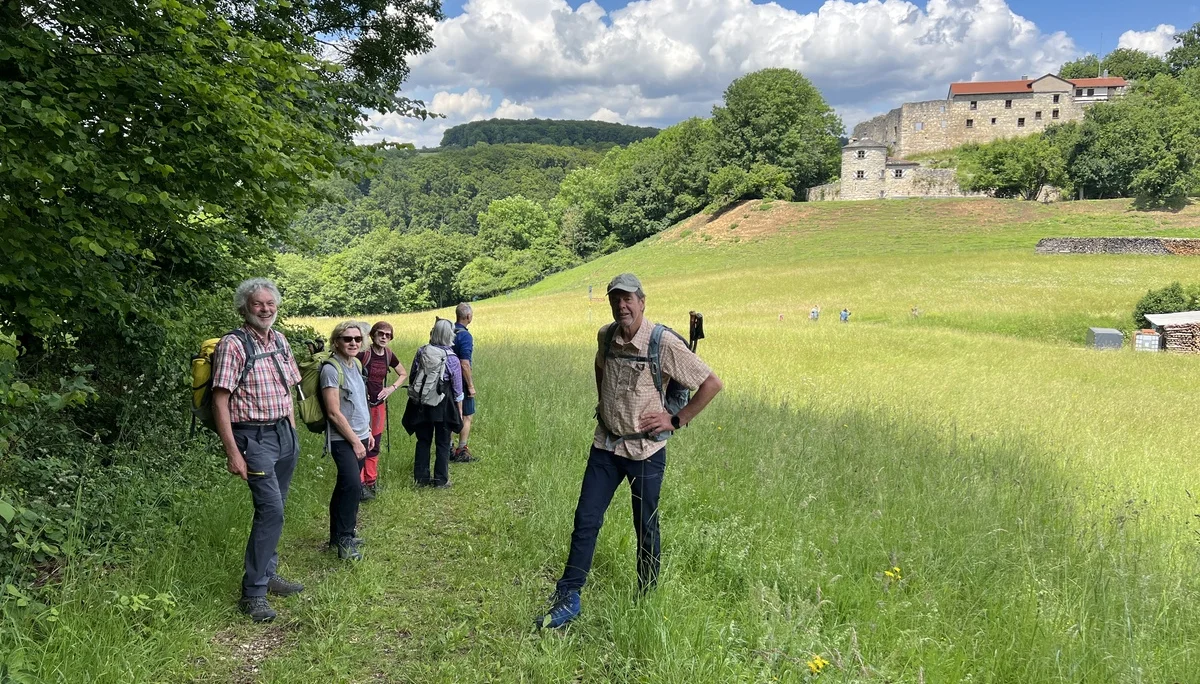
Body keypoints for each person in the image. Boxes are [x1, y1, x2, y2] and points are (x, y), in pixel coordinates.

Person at [536, 273, 723, 629]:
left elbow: (711, 383)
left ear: (641, 301)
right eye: (615, 299)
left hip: (645, 451)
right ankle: (569, 594)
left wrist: (676, 419)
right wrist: (604, 403)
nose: (621, 306)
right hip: (605, 444)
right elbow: (599, 366)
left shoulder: (662, 343)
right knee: (585, 520)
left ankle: (647, 596)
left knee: (646, 527)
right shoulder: (606, 336)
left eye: (628, 299)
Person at [211, 278, 304, 623]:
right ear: (244, 308)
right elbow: (220, 400)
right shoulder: (232, 346)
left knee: (278, 507)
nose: (265, 310)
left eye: (270, 304)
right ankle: (253, 593)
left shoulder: (280, 340)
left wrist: (292, 430)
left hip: (283, 434)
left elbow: (287, 389)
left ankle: (269, 573)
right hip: (253, 438)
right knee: (271, 511)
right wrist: (233, 451)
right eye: (257, 304)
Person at [321, 321, 373, 561]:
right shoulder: (331, 369)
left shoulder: (357, 364)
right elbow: (333, 412)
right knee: (352, 485)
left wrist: (369, 431)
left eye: (357, 339)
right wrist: (355, 441)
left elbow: (360, 401)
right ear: (336, 342)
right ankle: (345, 539)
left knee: (346, 486)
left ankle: (340, 534)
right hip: (343, 439)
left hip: (361, 435)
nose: (353, 343)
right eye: (347, 339)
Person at [401, 319, 464, 488]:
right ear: (449, 335)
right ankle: (440, 480)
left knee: (423, 441)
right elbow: (457, 389)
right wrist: (459, 411)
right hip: (443, 405)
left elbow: (414, 376)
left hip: (422, 403)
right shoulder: (452, 358)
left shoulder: (422, 351)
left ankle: (421, 479)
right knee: (443, 443)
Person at [356, 321, 406, 499]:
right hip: (361, 407)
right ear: (372, 335)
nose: (384, 337)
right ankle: (359, 485)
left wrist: (390, 389)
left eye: (388, 335)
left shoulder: (388, 355)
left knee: (374, 444)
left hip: (378, 407)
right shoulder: (363, 354)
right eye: (381, 334)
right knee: (361, 443)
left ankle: (371, 481)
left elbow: (403, 373)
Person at [451, 303, 477, 463]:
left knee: (450, 414)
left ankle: (448, 448)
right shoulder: (465, 336)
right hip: (460, 382)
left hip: (446, 381)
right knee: (467, 415)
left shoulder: (448, 331)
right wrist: (470, 386)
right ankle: (462, 449)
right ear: (468, 316)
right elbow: (464, 364)